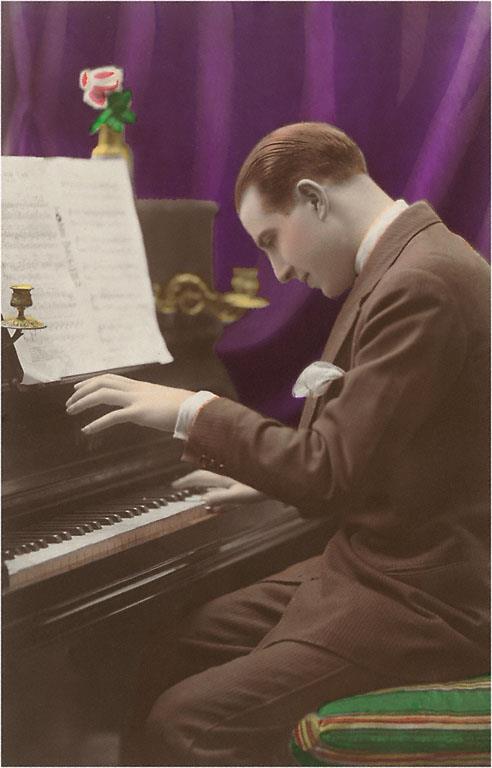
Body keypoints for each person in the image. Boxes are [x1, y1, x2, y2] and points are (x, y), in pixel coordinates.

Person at [65, 122, 490, 766]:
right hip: (389, 564)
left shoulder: (419, 282)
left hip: (427, 597)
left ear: (314, 198)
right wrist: (266, 476)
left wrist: (189, 408)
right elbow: (369, 448)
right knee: (173, 646)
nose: (281, 270)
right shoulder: (409, 261)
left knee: (187, 723)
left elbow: (328, 473)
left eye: (270, 240)